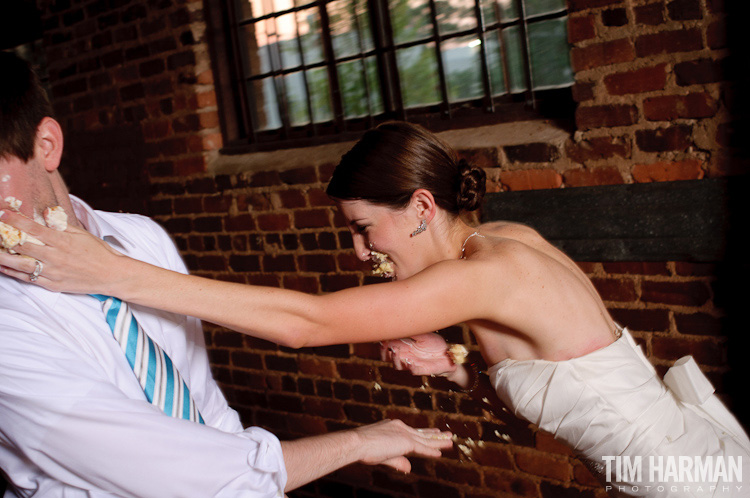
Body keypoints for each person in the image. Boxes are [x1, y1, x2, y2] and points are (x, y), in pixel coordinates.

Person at [2, 113, 749, 495]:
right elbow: (578, 377)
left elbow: (308, 324)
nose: (361, 254)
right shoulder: (500, 245)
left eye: (365, 230)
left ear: (421, 207)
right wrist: (456, 368)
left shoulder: (485, 277)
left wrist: (114, 273)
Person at [0, 52, 454, 498]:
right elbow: (182, 475)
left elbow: (202, 403)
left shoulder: (140, 239)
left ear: (47, 146)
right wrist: (352, 443)